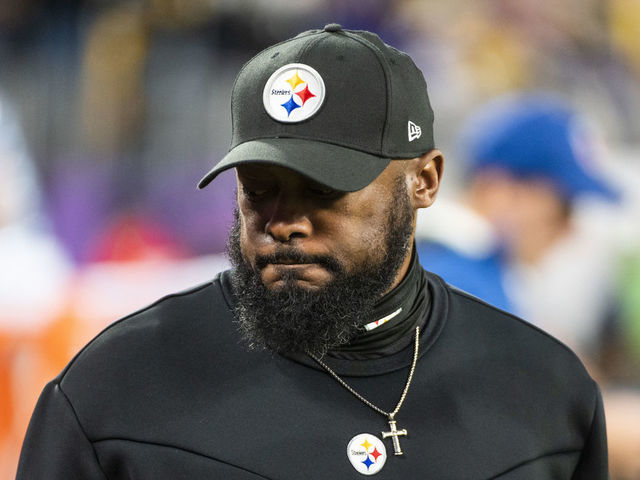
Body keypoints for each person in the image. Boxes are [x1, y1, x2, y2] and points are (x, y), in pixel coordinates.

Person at [17, 25, 608, 479]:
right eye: (260, 190)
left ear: (424, 181)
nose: (284, 223)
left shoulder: (545, 390)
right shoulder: (113, 388)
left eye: (325, 191)